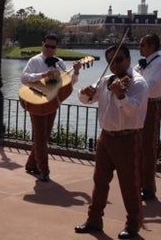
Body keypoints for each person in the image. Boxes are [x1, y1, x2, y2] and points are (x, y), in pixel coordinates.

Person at [74, 45, 148, 239]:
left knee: (129, 184)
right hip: (106, 137)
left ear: (129, 60)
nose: (114, 65)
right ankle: (94, 220)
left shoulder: (138, 83)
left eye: (119, 60)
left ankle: (133, 225)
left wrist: (121, 95)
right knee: (99, 181)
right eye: (110, 61)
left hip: (127, 137)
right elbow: (86, 99)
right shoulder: (106, 80)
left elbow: (134, 110)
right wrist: (84, 91)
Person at [21, 33, 80, 181]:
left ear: (56, 48)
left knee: (44, 137)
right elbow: (24, 77)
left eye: (52, 47)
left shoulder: (60, 63)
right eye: (47, 46)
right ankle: (44, 169)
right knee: (40, 137)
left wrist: (76, 72)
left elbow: (68, 83)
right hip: (36, 100)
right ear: (43, 44)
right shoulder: (35, 60)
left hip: (52, 103)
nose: (49, 49)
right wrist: (43, 75)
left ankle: (31, 164)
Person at [134, 33, 161, 201]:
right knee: (138, 146)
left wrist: (136, 85)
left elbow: (156, 88)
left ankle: (148, 188)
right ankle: (139, 182)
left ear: (151, 46)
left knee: (148, 147)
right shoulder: (142, 64)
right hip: (140, 106)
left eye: (142, 44)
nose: (139, 47)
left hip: (151, 105)